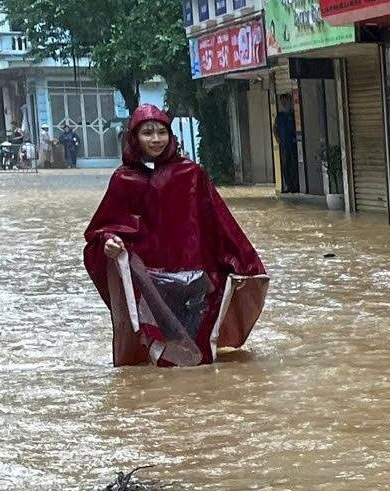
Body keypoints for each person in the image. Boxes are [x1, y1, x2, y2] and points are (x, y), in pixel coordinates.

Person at [83, 105, 269, 367]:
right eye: (147, 133)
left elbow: (220, 224)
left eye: (162, 132)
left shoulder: (191, 175)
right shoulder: (123, 180)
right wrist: (109, 242)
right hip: (149, 286)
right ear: (134, 138)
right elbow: (104, 228)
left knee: (199, 357)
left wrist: (246, 264)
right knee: (160, 357)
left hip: (197, 281)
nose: (156, 139)